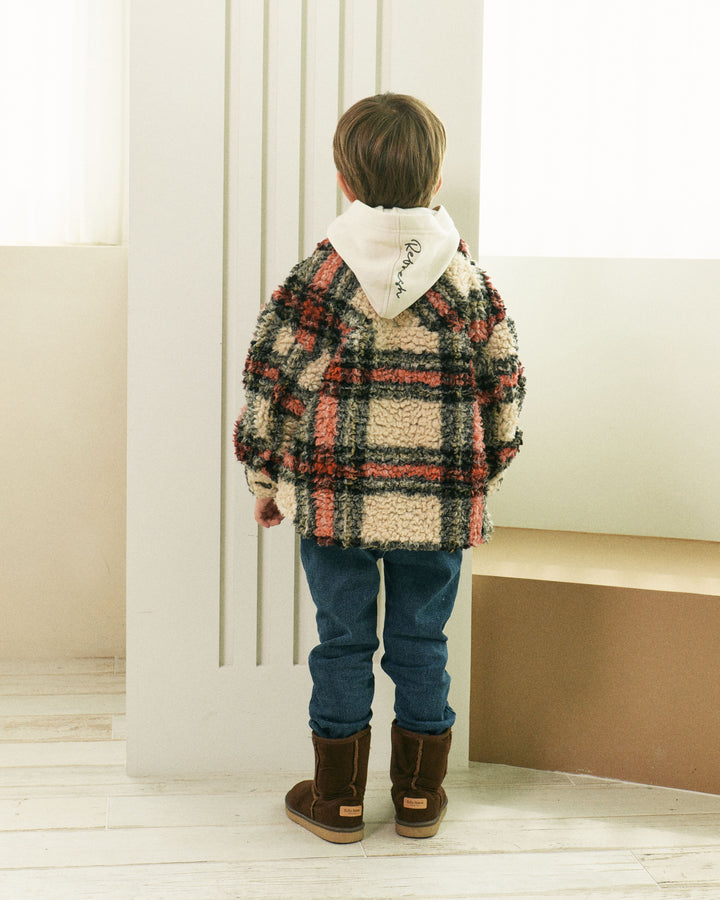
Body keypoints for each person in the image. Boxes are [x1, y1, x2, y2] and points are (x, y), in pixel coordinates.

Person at [234, 92, 525, 843]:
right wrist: (484, 479)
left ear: (343, 179)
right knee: (422, 642)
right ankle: (420, 797)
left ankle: (338, 799)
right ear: (437, 181)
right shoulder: (466, 283)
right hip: (438, 507)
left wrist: (265, 479)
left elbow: (272, 384)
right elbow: (505, 388)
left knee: (342, 643)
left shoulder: (318, 280)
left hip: (334, 504)